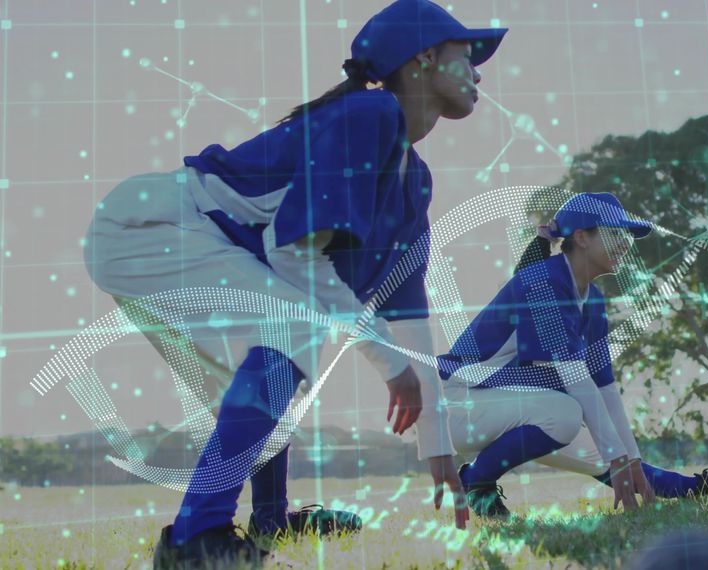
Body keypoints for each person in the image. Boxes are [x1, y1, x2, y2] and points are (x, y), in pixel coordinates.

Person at [82, 0, 506, 566]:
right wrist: (386, 363)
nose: (478, 70)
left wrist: (438, 446)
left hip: (186, 242)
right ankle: (194, 542)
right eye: (466, 53)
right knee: (293, 330)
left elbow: (411, 320)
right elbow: (293, 254)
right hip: (153, 229)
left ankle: (270, 519)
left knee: (269, 380)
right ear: (423, 58)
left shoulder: (414, 180)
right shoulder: (372, 114)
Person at [436, 192, 708, 517]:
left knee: (596, 444)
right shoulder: (545, 281)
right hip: (463, 403)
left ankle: (695, 488)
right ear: (582, 237)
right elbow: (574, 377)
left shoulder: (594, 302)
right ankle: (475, 481)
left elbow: (605, 389)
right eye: (615, 232)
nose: (625, 243)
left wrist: (628, 458)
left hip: (511, 407)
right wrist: (617, 455)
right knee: (567, 415)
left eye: (627, 235)